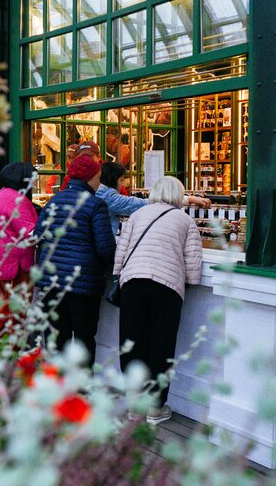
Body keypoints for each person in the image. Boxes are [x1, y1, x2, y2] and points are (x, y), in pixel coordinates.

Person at [112, 176, 202, 425]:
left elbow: (122, 250)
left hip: (132, 283)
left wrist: (119, 274)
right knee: (161, 345)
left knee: (131, 343)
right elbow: (193, 262)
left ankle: (134, 406)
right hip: (166, 287)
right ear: (178, 195)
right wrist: (190, 282)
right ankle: (155, 407)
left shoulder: (137, 215)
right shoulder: (185, 220)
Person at [34, 155, 116, 368]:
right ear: (89, 178)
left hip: (51, 281)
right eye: (98, 177)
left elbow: (38, 234)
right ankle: (81, 390)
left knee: (56, 337)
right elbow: (105, 248)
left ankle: (56, 385)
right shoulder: (96, 205)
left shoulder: (53, 201)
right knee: (83, 339)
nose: (100, 182)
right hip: (83, 283)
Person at [0, 162, 38, 342]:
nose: (34, 181)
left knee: (7, 301)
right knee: (18, 305)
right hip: (15, 260)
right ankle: (12, 345)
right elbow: (30, 232)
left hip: (0, 257)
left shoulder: (2, 194)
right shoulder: (16, 199)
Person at [96, 162, 212, 236]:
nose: (122, 185)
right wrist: (188, 199)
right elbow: (141, 204)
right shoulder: (108, 197)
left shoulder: (100, 193)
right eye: (121, 180)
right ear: (112, 179)